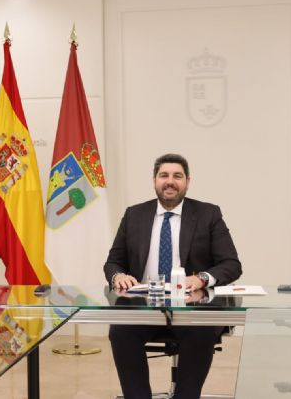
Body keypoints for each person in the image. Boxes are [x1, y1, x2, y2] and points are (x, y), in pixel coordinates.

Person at [103, 154, 242, 399]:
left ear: (187, 182)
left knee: (199, 331)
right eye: (164, 175)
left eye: (177, 176)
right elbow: (113, 262)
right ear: (154, 181)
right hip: (143, 307)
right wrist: (117, 276)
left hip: (193, 309)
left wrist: (202, 278)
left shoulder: (208, 214)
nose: (170, 181)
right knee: (120, 331)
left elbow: (231, 264)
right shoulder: (134, 215)